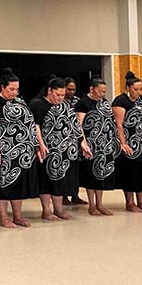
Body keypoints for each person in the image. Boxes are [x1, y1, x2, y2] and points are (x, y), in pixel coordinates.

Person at [0, 68, 40, 228]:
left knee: (19, 185)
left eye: (16, 89)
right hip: (4, 151)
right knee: (3, 184)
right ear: (3, 87)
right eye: (11, 89)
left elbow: (30, 124)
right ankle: (4, 217)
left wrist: (35, 146)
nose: (14, 92)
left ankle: (18, 216)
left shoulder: (19, 102)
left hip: (22, 152)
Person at [29, 77, 89, 221]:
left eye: (63, 95)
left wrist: (82, 142)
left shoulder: (66, 105)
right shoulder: (37, 104)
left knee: (61, 180)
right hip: (47, 149)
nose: (60, 98)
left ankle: (59, 209)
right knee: (46, 180)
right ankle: (46, 210)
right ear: (49, 91)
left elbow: (74, 125)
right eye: (58, 95)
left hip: (65, 150)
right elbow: (35, 126)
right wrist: (41, 144)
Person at [113, 71, 142, 213]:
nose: (138, 92)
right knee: (130, 173)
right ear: (128, 88)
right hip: (130, 144)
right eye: (135, 89)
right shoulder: (120, 101)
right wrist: (123, 143)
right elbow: (118, 124)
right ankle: (130, 202)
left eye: (140, 89)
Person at [75, 77, 118, 216]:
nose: (102, 94)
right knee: (91, 175)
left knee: (102, 175)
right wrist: (83, 142)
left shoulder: (104, 103)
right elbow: (79, 125)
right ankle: (92, 205)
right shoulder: (83, 103)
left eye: (104, 92)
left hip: (104, 145)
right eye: (100, 92)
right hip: (90, 145)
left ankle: (100, 204)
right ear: (91, 89)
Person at [62, 77, 87, 206]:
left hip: (76, 139)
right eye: (69, 89)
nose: (71, 92)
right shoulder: (59, 102)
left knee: (76, 171)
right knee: (65, 170)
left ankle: (75, 195)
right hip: (63, 141)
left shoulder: (77, 101)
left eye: (73, 89)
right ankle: (64, 196)